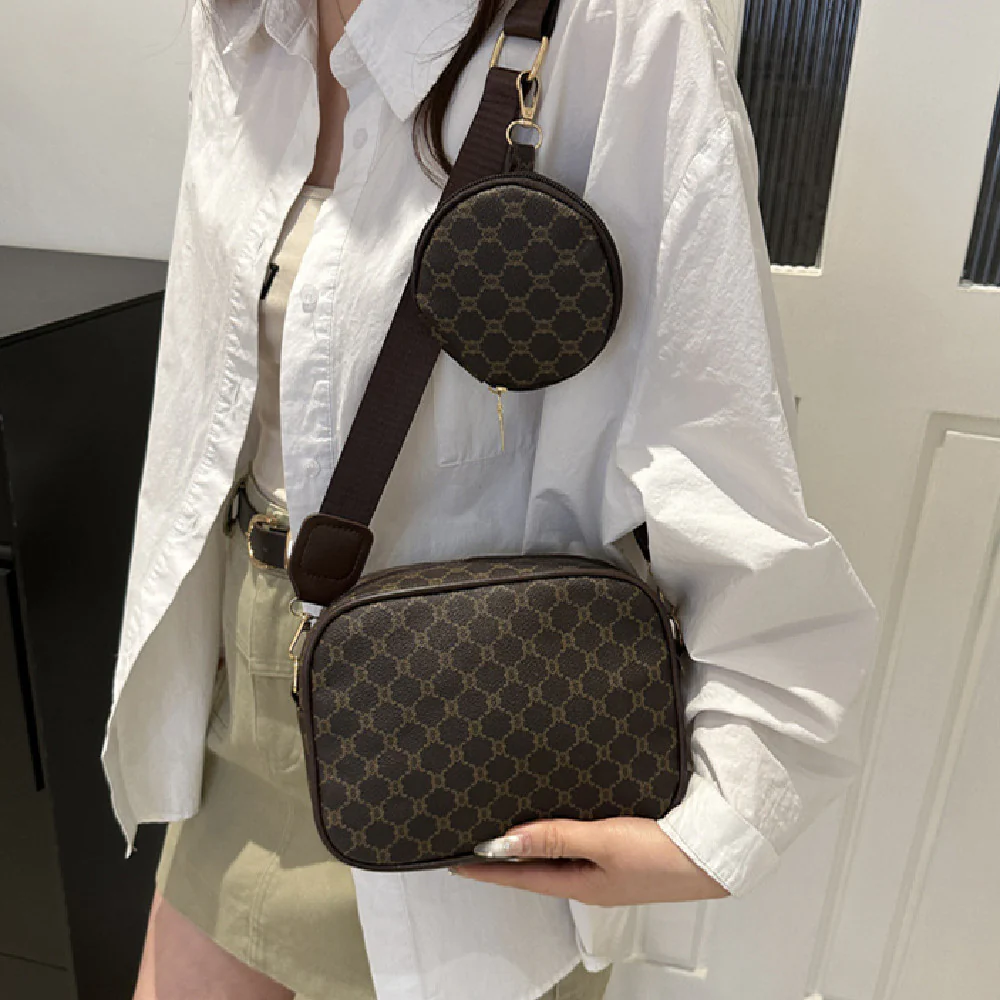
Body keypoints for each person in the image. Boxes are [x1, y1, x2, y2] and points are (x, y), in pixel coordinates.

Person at [107, 0, 880, 997]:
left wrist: (732, 806)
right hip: (239, 712)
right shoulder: (244, 24)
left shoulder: (622, 30)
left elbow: (720, 444)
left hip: (473, 743)